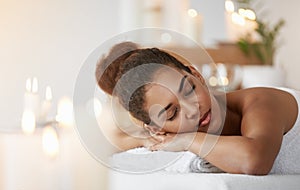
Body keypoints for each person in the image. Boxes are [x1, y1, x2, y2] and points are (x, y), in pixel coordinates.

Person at [95, 41, 300, 175]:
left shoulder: (260, 101)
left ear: (197, 75)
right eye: (173, 113)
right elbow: (106, 144)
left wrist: (186, 140)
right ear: (157, 129)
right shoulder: (160, 135)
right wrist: (143, 139)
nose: (193, 108)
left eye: (189, 89)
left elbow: (255, 160)